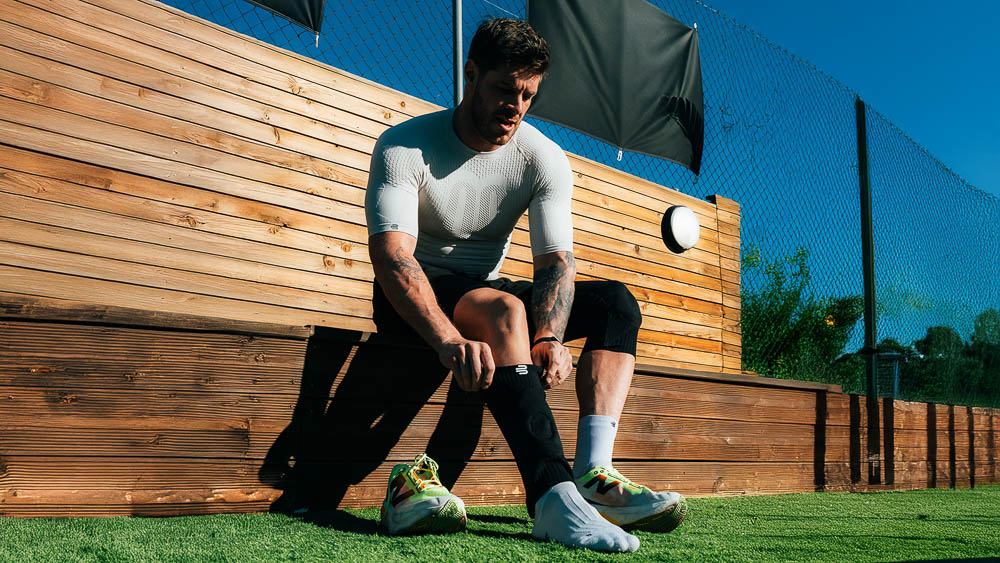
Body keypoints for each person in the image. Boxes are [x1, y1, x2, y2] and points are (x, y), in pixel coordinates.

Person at [365, 18, 686, 552]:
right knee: (505, 312)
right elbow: (393, 258)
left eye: (528, 96)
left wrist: (551, 337)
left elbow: (556, 264)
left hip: (488, 291)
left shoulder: (541, 157)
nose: (514, 106)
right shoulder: (405, 145)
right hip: (418, 291)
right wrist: (448, 341)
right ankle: (550, 498)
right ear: (471, 75)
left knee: (615, 304)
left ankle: (592, 478)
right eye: (503, 89)